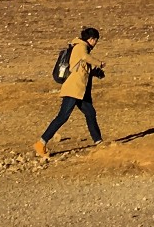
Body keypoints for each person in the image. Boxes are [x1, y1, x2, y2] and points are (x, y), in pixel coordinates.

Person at [35, 26, 103, 157]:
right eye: (96, 40)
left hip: (80, 91)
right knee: (63, 116)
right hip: (73, 89)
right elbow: (85, 57)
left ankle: (98, 142)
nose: (96, 43)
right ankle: (41, 143)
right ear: (91, 39)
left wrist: (96, 72)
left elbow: (81, 68)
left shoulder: (81, 47)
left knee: (90, 113)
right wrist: (99, 63)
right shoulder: (81, 47)